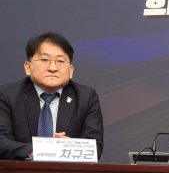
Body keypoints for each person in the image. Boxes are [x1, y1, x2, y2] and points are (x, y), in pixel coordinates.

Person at [0, 32, 104, 160]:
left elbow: (95, 147)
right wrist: (43, 150)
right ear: (28, 67)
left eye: (60, 61)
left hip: (67, 172)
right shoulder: (7, 95)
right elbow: (2, 142)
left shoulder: (86, 97)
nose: (53, 68)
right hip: (20, 171)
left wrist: (68, 147)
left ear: (71, 70)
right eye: (44, 60)